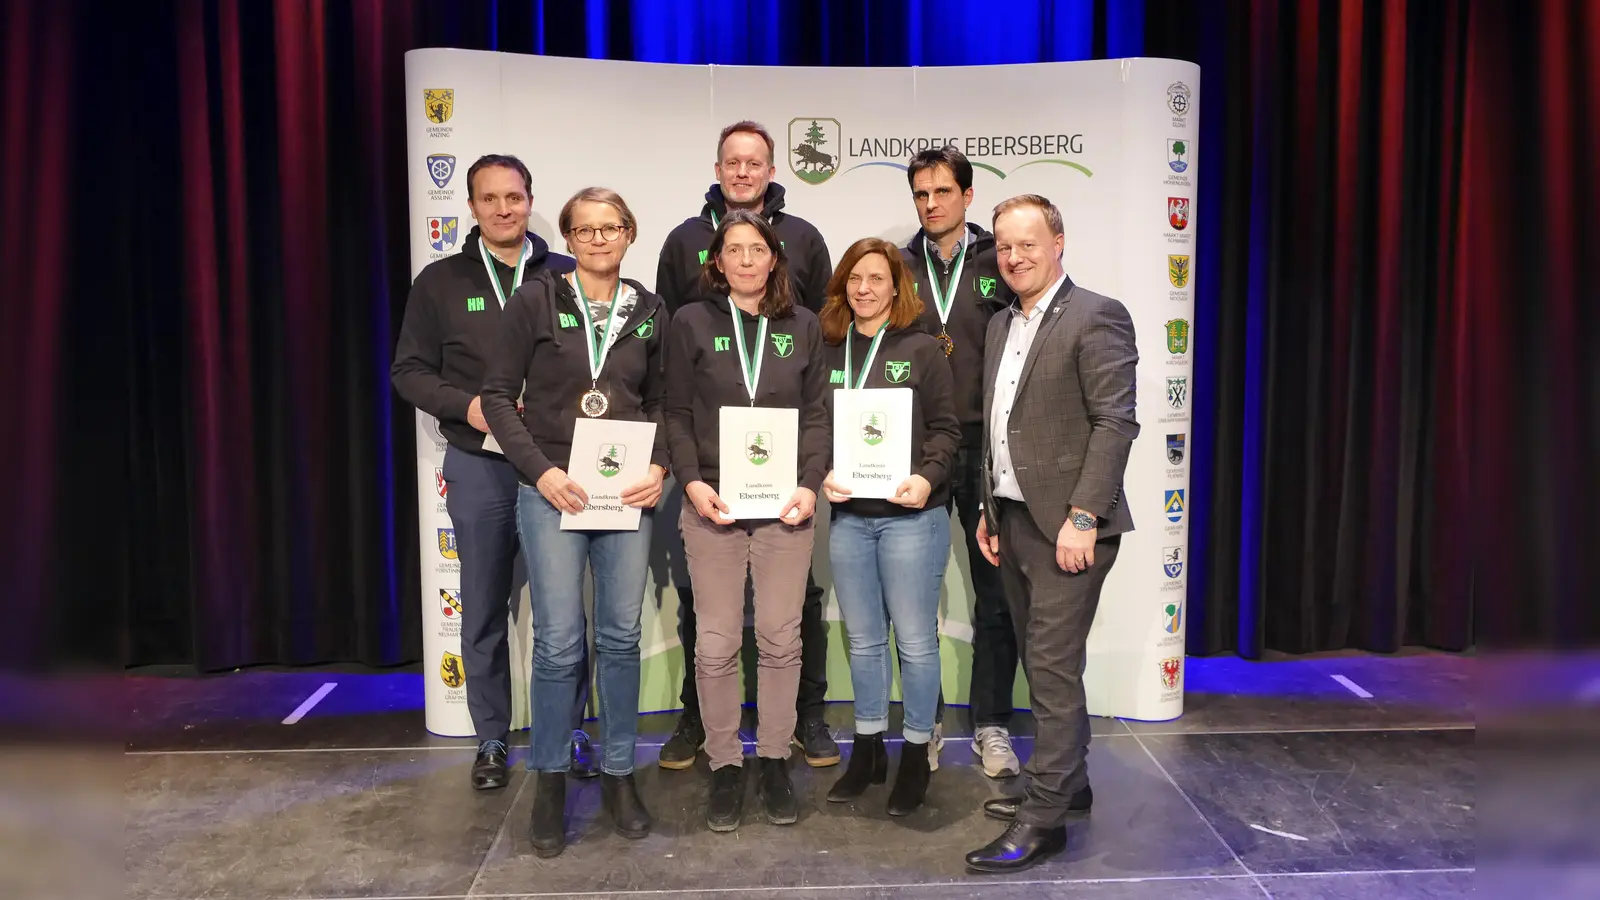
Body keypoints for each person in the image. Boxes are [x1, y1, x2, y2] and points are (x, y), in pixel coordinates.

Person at [390, 154, 596, 792]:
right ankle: (490, 738)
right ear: (472, 207)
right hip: (480, 464)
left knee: (566, 611)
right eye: (489, 199)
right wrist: (470, 406)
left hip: (557, 466)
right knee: (481, 605)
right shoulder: (440, 282)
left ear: (531, 199)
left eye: (513, 196)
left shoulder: (569, 273)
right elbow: (409, 372)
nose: (503, 209)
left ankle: (570, 731)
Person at [479, 187, 669, 858]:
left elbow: (668, 401)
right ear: (568, 236)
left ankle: (619, 775)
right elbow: (497, 398)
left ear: (628, 233)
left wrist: (663, 468)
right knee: (559, 643)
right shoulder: (533, 300)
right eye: (584, 229)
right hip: (555, 488)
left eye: (609, 227)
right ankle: (551, 780)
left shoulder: (649, 310)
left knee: (618, 637)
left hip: (625, 492)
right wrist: (541, 473)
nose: (597, 239)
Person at [654, 120, 839, 770]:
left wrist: (809, 484)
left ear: (775, 257)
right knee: (714, 641)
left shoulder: (804, 321)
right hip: (712, 498)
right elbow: (676, 404)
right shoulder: (689, 317)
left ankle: (782, 750)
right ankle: (720, 752)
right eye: (733, 251)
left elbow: (818, 412)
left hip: (785, 499)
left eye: (756, 251)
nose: (746, 259)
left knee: (785, 635)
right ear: (717, 258)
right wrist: (693, 479)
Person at [965, 195, 1139, 873]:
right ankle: (1070, 784)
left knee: (1053, 671)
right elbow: (1000, 427)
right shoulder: (1001, 324)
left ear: (1058, 242)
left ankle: (1042, 821)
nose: (1013, 257)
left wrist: (1084, 519)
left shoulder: (1097, 315)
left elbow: (1114, 423)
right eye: (1004, 246)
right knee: (1046, 666)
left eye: (1027, 244)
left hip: (1071, 527)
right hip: (1013, 519)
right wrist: (988, 508)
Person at [817, 239, 960, 816]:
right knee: (864, 641)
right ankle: (869, 749)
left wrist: (927, 478)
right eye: (855, 278)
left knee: (917, 643)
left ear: (897, 287)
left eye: (877, 278)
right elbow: (814, 427)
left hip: (911, 519)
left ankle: (918, 754)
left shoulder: (922, 349)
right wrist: (821, 470)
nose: (864, 288)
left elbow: (947, 431)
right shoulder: (829, 349)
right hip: (850, 519)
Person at [901, 147, 1018, 778]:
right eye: (921, 195)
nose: (930, 204)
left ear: (967, 196)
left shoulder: (998, 259)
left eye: (942, 192)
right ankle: (925, 723)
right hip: (917, 449)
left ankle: (992, 723)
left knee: (994, 592)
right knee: (914, 593)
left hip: (986, 448)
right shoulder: (895, 264)